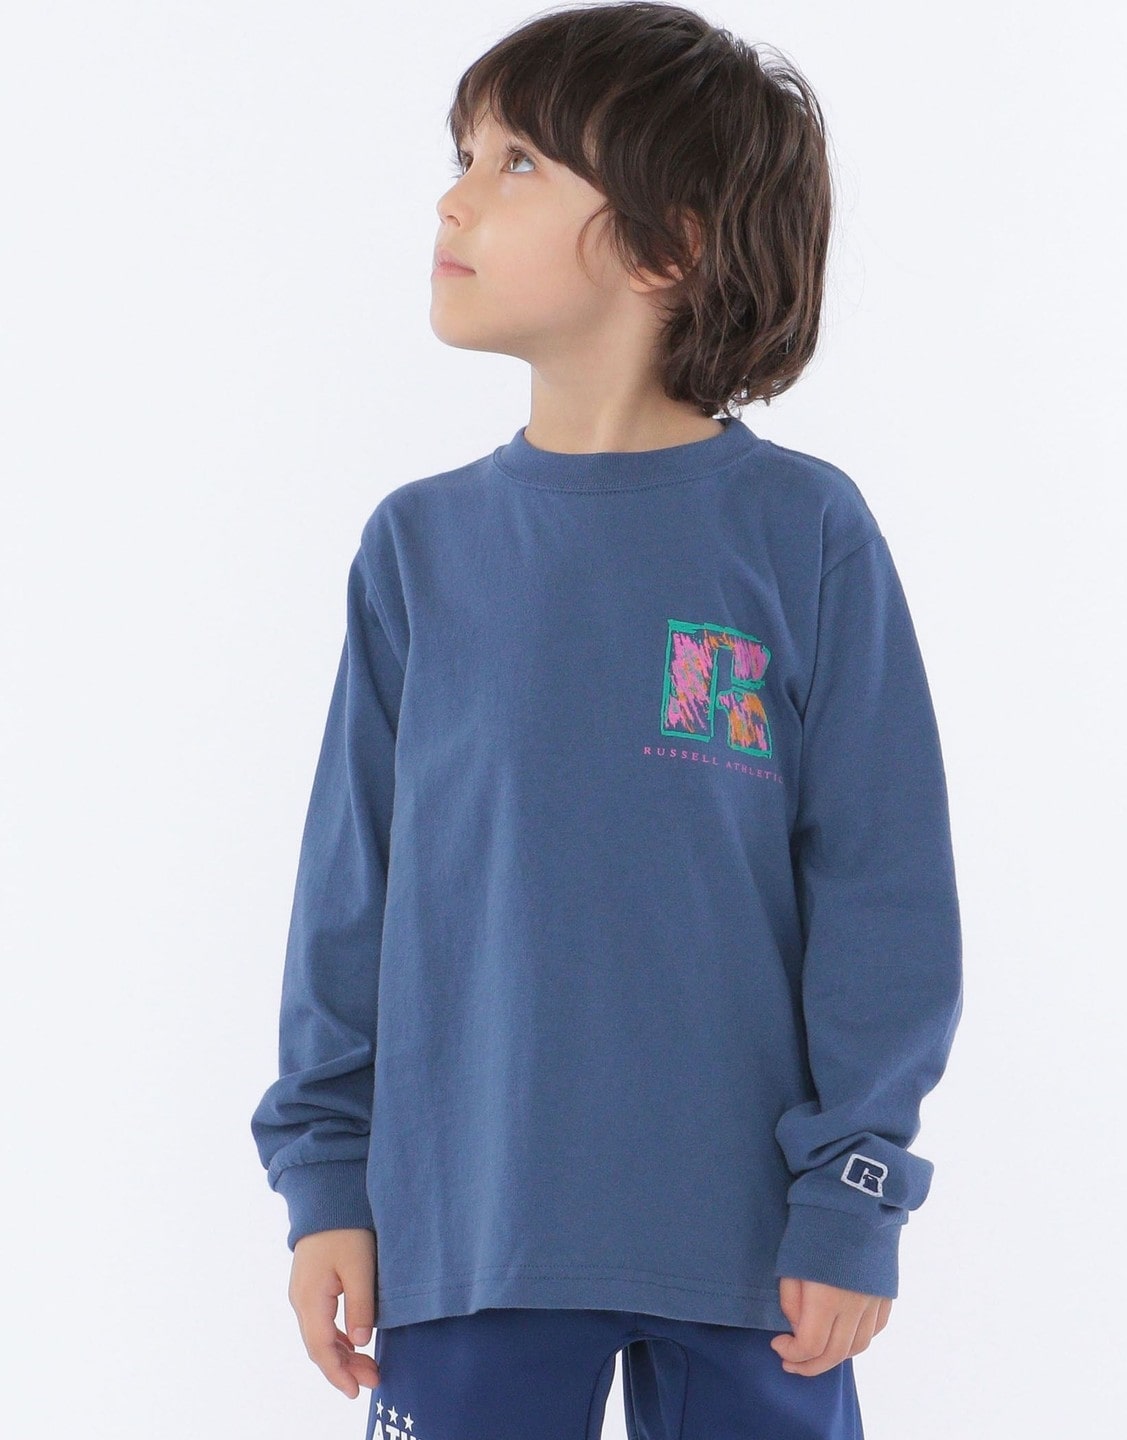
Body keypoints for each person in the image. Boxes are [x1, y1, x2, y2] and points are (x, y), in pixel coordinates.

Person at [250, 4, 964, 1437]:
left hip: (752, 1252)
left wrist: (856, 1190)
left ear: (667, 244)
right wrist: (326, 1181)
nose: (454, 199)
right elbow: (348, 897)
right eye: (461, 156)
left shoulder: (805, 536)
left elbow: (883, 893)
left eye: (515, 163)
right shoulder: (419, 551)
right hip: (469, 1234)